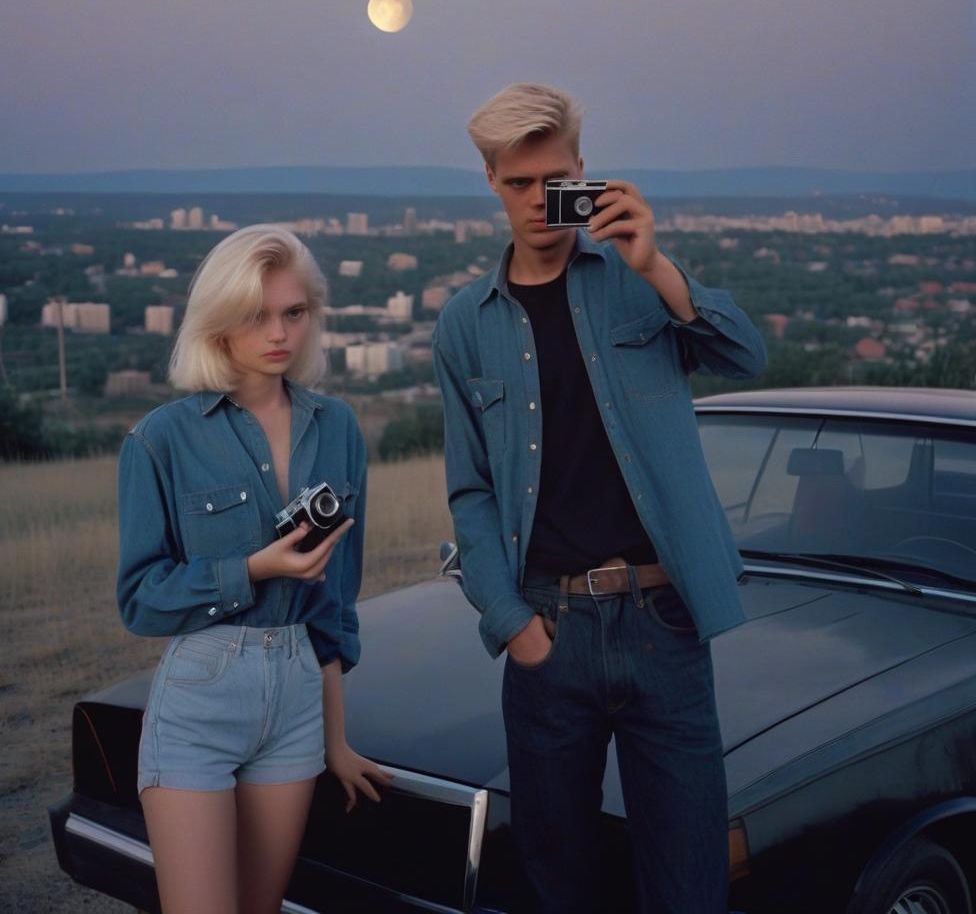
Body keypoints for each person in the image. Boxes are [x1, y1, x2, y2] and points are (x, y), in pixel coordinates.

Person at [431, 83, 768, 913]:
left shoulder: (632, 277)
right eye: (518, 184)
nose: (539, 203)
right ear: (491, 183)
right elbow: (469, 490)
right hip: (551, 631)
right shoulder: (465, 325)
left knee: (689, 884)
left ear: (584, 171)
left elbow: (744, 355)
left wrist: (654, 263)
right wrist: (514, 629)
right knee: (557, 886)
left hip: (666, 624)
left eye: (555, 181)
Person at [116, 224, 392, 914]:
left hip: (297, 695)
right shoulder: (161, 438)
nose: (280, 333)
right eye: (256, 315)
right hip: (202, 694)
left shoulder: (338, 427)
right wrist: (253, 568)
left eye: (294, 313)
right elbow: (141, 601)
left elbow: (334, 605)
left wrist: (336, 740)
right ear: (217, 322)